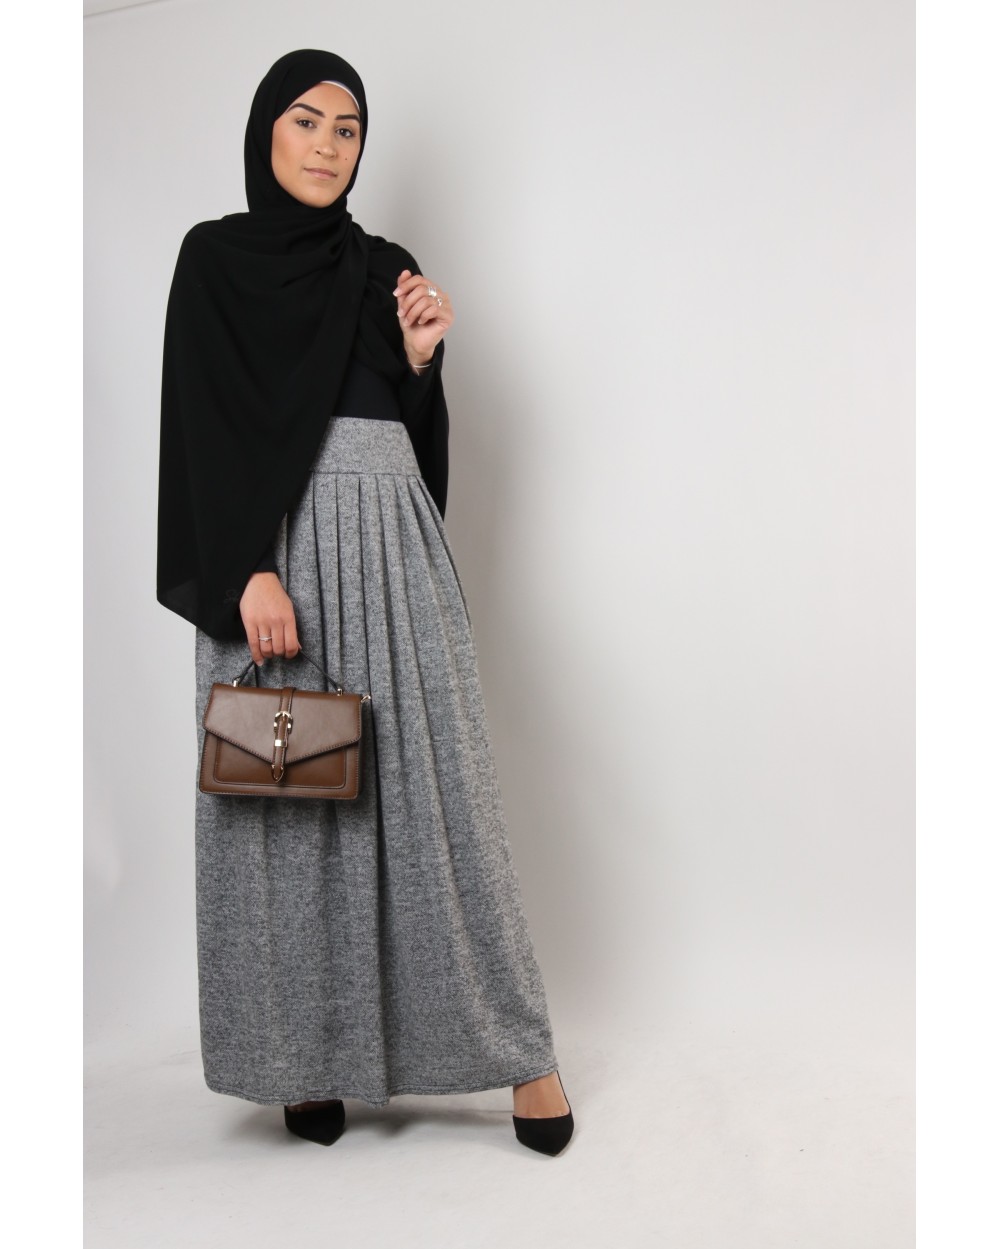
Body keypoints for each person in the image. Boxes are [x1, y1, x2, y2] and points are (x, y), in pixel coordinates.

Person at [156, 49, 573, 1155]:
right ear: (266, 131)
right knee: (290, 805)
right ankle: (307, 1058)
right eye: (307, 120)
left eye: (348, 129)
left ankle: (524, 1054)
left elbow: (408, 438)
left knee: (443, 797)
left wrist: (423, 361)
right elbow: (198, 422)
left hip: (389, 539)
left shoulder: (384, 266)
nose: (328, 145)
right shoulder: (214, 260)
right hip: (274, 557)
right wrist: (243, 569)